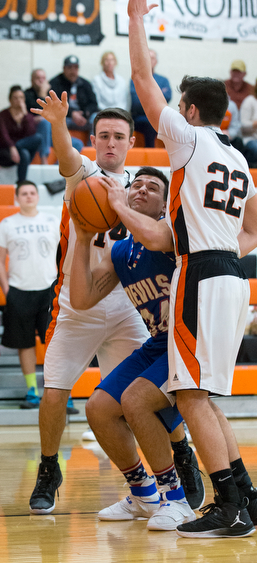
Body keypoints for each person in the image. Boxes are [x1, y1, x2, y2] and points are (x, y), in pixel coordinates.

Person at [121, 0, 257, 539]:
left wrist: (136, 17)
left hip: (202, 274)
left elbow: (140, 76)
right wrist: (223, 251)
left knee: (189, 394)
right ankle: (248, 499)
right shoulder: (237, 158)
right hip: (230, 272)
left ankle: (226, 503)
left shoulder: (188, 139)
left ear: (186, 110)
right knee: (202, 395)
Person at [27, 92, 157, 515]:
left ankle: (180, 463)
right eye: (104, 136)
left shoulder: (142, 185)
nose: (111, 143)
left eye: (119, 136)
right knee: (54, 394)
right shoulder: (83, 175)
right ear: (95, 140)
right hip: (75, 305)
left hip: (126, 306)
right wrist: (59, 123)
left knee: (150, 392)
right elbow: (65, 156)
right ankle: (49, 469)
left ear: (131, 142)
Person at [69, 167, 204, 529]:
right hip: (158, 343)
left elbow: (157, 237)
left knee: (135, 401)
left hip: (185, 343)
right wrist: (83, 237)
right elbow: (81, 299)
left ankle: (176, 499)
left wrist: (116, 203)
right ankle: (142, 493)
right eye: (137, 185)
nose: (141, 189)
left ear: (165, 205)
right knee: (97, 408)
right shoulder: (122, 251)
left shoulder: (173, 234)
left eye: (153, 187)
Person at [0, 181, 60, 409]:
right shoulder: (7, 224)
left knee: (53, 343)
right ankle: (32, 391)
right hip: (19, 291)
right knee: (24, 344)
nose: (28, 196)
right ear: (17, 198)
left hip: (48, 290)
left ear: (37, 196)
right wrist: (7, 291)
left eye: (32, 192)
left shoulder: (51, 222)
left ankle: (59, 392)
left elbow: (63, 256)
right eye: (23, 193)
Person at [25, 69, 84, 157]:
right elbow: (37, 113)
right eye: (38, 78)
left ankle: (58, 167)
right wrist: (42, 94)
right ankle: (44, 158)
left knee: (77, 144)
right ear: (32, 80)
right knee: (45, 122)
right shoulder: (26, 94)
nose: (41, 81)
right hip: (36, 133)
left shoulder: (51, 94)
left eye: (43, 78)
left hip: (52, 133)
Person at [0, 85, 42, 182]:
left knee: (38, 137)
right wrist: (12, 147)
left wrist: (25, 114)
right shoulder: (3, 115)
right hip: (6, 150)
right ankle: (21, 182)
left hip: (22, 146)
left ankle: (18, 146)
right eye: (15, 98)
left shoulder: (28, 116)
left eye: (21, 97)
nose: (18, 100)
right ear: (10, 100)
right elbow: (3, 134)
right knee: (24, 154)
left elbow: (31, 133)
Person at [130, 49, 171, 147]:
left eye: (152, 58)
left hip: (159, 117)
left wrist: (146, 96)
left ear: (156, 61)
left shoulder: (163, 80)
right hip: (140, 118)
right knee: (150, 124)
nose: (149, 60)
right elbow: (136, 102)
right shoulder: (135, 79)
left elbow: (167, 98)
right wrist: (158, 95)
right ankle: (149, 157)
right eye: (147, 58)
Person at [50, 56, 98, 139]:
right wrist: (72, 113)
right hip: (65, 118)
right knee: (56, 121)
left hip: (83, 118)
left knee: (96, 119)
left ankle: (93, 148)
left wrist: (85, 113)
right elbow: (54, 104)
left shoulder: (85, 84)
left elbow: (94, 103)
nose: (73, 71)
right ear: (64, 68)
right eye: (69, 68)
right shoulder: (55, 83)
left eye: (75, 68)